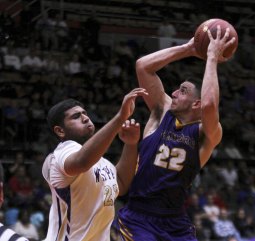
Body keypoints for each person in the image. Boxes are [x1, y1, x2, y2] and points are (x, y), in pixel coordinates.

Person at [115, 25, 236, 240]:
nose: (174, 93)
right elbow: (143, 66)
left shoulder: (205, 134)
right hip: (139, 217)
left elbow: (209, 106)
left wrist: (212, 58)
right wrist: (189, 48)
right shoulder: (162, 111)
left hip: (175, 222)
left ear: (196, 102)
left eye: (183, 90)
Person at [42, 88, 148, 241]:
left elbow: (122, 184)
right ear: (60, 131)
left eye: (85, 113)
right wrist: (120, 118)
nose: (85, 118)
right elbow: (82, 161)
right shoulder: (62, 153)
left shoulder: (101, 161)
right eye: (76, 117)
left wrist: (130, 144)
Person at [0, 162, 29, 240]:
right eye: (20, 171)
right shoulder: (13, 181)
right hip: (13, 204)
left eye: (23, 171)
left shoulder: (27, 180)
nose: (21, 172)